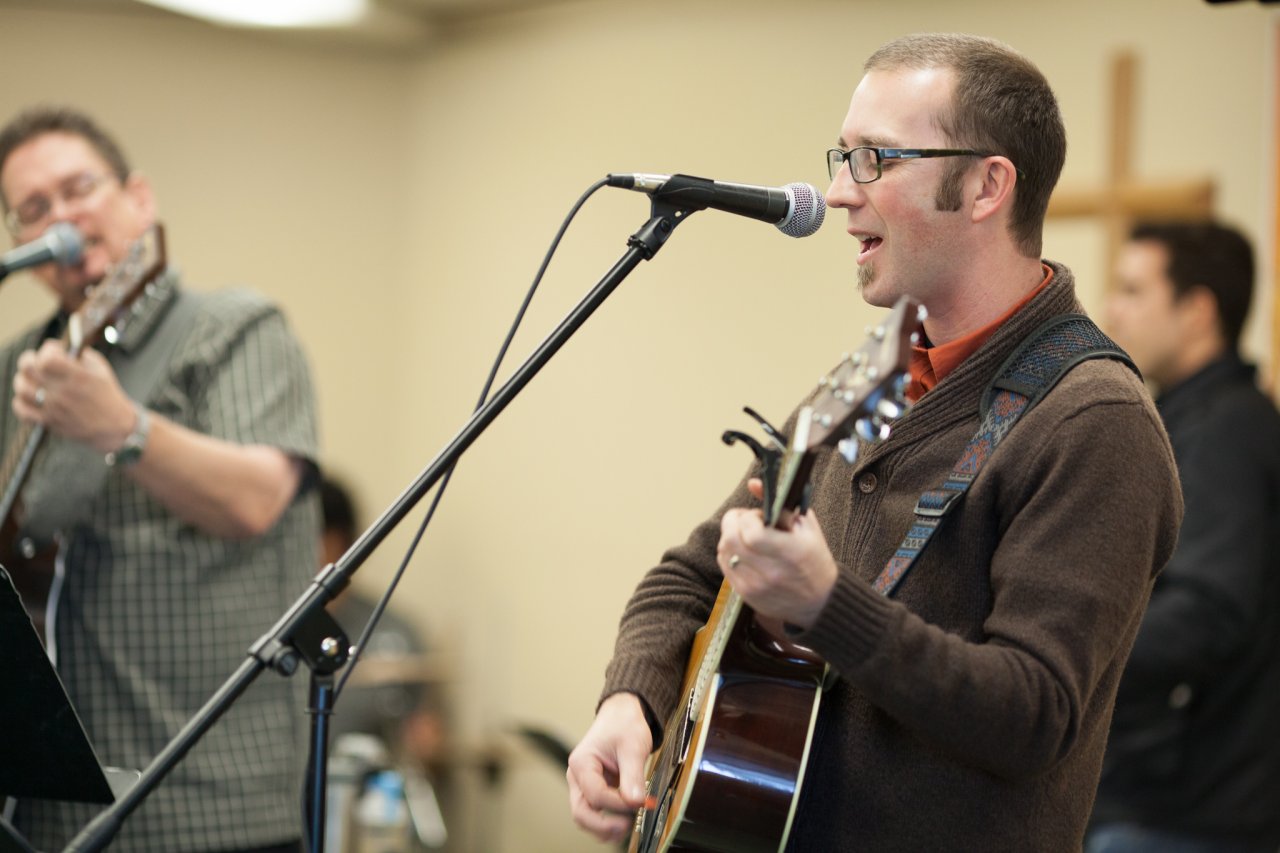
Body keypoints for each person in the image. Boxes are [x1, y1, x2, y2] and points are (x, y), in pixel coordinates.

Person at [566, 33, 1183, 850]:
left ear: (987, 186)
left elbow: (1033, 713)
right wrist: (630, 702)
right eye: (842, 157)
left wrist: (826, 605)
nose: (835, 193)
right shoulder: (874, 380)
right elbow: (690, 573)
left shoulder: (1093, 420)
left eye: (874, 159)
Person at [0, 106, 319, 852]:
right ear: (21, 247)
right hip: (48, 810)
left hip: (206, 802)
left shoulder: (235, 327)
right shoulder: (22, 364)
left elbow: (255, 499)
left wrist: (123, 426)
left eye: (78, 188)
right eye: (34, 209)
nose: (61, 217)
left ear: (139, 198)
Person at [1087, 223, 1280, 853]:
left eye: (1133, 290)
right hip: (1163, 798)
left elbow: (1206, 611)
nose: (1113, 309)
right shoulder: (1187, 418)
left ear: (1197, 311)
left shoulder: (1228, 431)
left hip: (1185, 812)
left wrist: (1074, 650)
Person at [319, 475, 445, 770]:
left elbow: (423, 730)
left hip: (369, 788)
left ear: (338, 541)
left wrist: (425, 740)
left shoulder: (394, 631)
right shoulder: (272, 634)